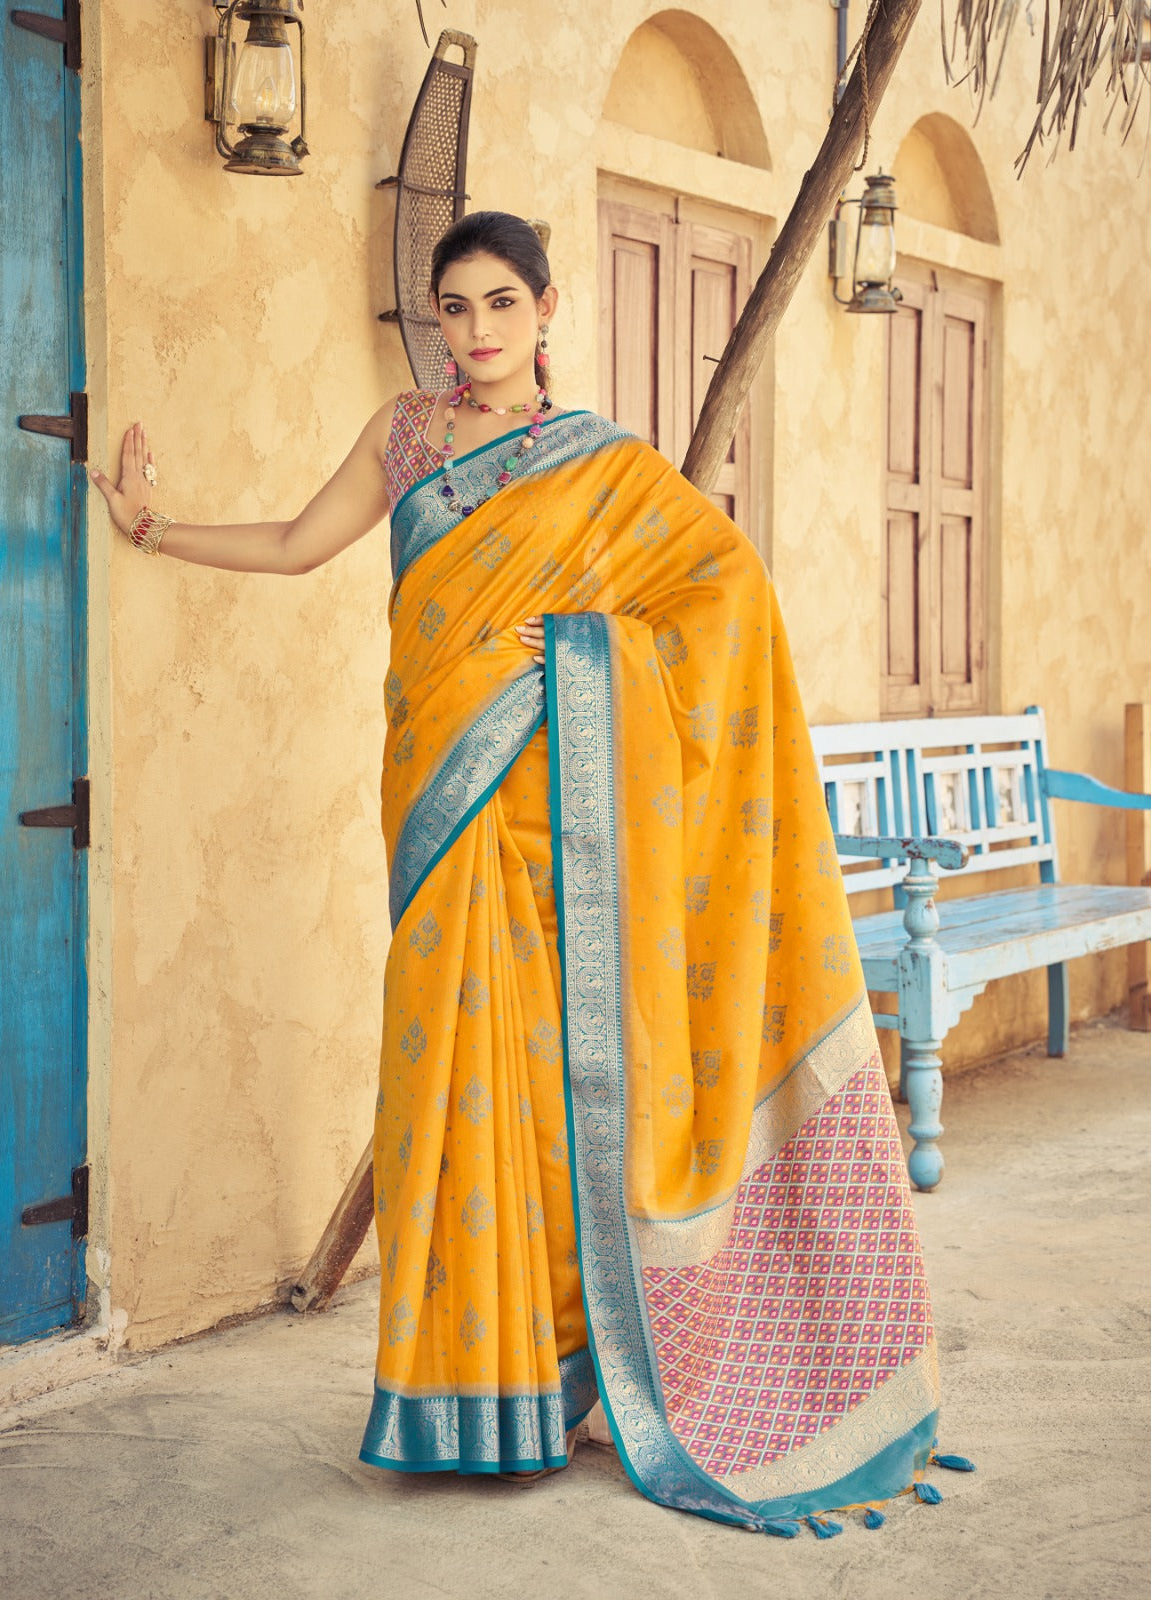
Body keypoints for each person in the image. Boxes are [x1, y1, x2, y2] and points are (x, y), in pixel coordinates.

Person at [92, 210, 970, 1535]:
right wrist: (155, 528)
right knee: (448, 1062)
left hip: (557, 814)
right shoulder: (406, 439)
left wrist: (569, 658)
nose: (481, 329)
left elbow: (723, 600)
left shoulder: (604, 468)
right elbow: (292, 543)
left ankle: (569, 1369)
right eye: (458, 307)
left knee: (560, 1086)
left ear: (548, 310)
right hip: (441, 804)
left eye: (503, 302)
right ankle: (473, 1387)